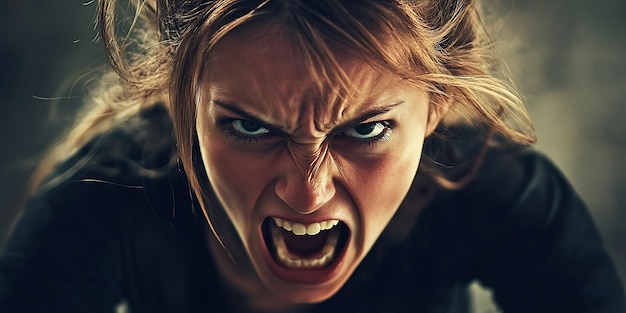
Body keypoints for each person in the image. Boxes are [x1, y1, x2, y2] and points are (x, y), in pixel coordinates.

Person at [0, 0, 624, 312]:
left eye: (366, 131)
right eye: (248, 126)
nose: (307, 194)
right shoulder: (104, 201)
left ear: (436, 107)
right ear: (182, 102)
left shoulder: (499, 195)